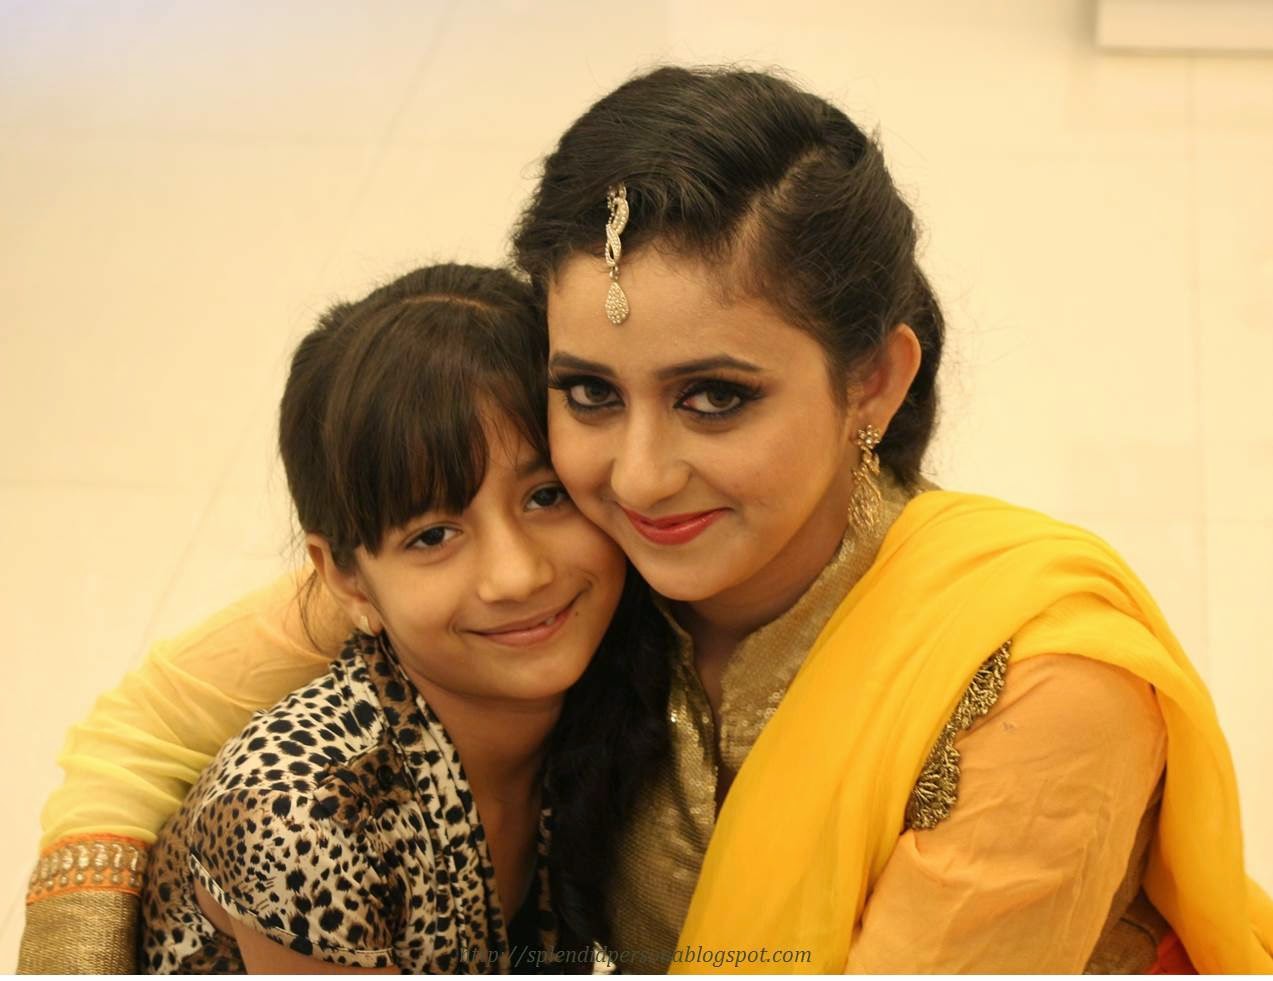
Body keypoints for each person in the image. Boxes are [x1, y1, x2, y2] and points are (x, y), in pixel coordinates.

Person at [19, 67, 1273, 974]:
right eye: (587, 394)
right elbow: (141, 736)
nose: (641, 476)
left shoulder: (1029, 689)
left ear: (874, 384)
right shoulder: (566, 558)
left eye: (715, 398)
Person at [133, 262, 659, 973]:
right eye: (433, 535)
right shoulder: (302, 819)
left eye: (545, 496)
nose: (518, 574)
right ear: (347, 579)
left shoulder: (633, 662)